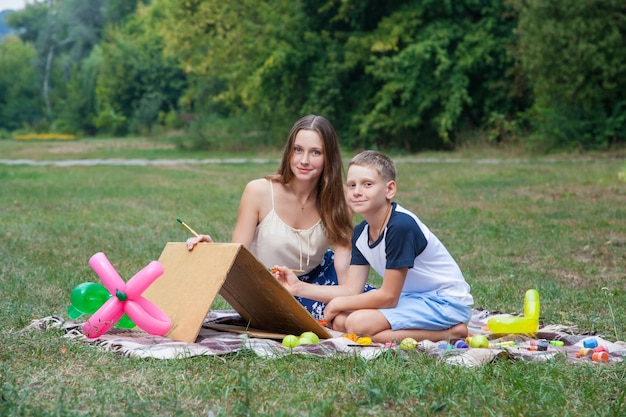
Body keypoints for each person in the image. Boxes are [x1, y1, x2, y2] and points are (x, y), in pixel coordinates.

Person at [186, 114, 374, 319]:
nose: (304, 160)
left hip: (320, 281)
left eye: (316, 152)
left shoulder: (339, 199)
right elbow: (237, 257)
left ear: (329, 157)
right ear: (289, 152)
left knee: (369, 311)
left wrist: (345, 301)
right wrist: (212, 251)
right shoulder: (258, 192)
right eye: (298, 150)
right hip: (272, 288)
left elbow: (344, 270)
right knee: (343, 320)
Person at [273, 150, 473, 343]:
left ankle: (452, 332)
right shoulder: (361, 233)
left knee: (358, 323)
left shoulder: (400, 226)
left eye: (367, 184)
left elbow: (388, 296)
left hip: (446, 302)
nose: (357, 192)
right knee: (343, 319)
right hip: (413, 298)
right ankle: (384, 332)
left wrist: (338, 304)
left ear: (389, 189)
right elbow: (351, 289)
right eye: (351, 185)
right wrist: (298, 287)